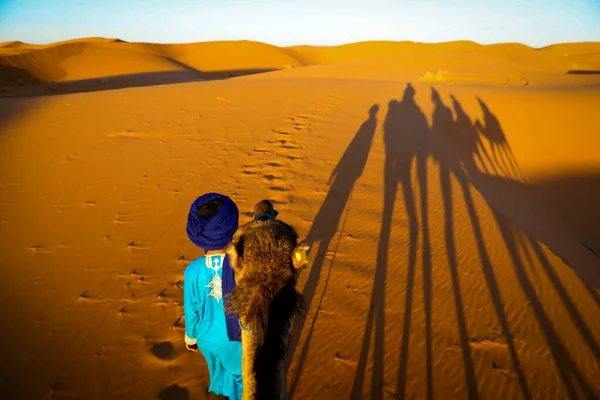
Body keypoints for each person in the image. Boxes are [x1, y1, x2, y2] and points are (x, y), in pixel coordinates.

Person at [184, 192, 242, 400]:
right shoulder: (244, 267)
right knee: (244, 379)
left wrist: (190, 337)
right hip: (240, 341)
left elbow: (192, 310)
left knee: (218, 375)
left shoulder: (193, 271)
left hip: (208, 339)